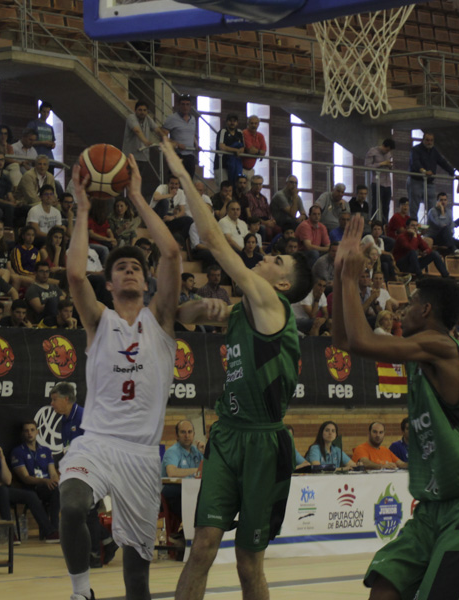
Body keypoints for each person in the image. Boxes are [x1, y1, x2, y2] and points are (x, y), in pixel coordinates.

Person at [162, 140, 312, 600]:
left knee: (249, 563)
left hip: (265, 443)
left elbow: (210, 241)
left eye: (276, 260)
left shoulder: (272, 303)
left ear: (282, 283)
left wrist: (184, 176)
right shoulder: (244, 309)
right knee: (202, 546)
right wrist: (199, 308)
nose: (266, 256)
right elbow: (183, 318)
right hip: (227, 436)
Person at [331, 214, 459, 600]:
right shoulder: (420, 354)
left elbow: (359, 341)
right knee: (385, 589)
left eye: (409, 306)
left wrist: (349, 278)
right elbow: (343, 340)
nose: (400, 310)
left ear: (426, 312)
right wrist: (344, 273)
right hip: (433, 506)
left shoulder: (440, 347)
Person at [60, 145, 184, 600]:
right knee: (72, 503)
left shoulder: (161, 320)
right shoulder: (99, 320)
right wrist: (82, 207)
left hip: (141, 454)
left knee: (138, 583)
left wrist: (135, 196)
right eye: (120, 268)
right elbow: (75, 276)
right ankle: (80, 592)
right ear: (108, 283)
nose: (129, 271)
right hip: (96, 440)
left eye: (135, 267)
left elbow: (170, 253)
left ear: (146, 282)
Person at [10, 421, 61, 542]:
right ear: (23, 433)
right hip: (30, 487)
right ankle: (52, 531)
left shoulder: (46, 450)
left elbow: (53, 472)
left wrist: (54, 481)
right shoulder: (18, 452)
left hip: (46, 486)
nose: (29, 433)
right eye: (26, 430)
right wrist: (44, 481)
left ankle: (55, 529)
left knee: (56, 490)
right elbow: (25, 478)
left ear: (37, 432)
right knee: (38, 493)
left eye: (32, 430)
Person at [160, 420, 204, 519]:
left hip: (191, 491)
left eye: (189, 432)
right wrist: (195, 470)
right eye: (183, 432)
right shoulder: (172, 451)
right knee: (194, 499)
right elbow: (171, 472)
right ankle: (187, 531)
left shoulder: (197, 451)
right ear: (177, 435)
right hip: (171, 494)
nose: (187, 436)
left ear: (194, 434)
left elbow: (210, 470)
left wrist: (206, 452)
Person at [408, 133, 456, 220]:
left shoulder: (434, 151)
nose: (429, 142)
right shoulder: (415, 150)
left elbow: (442, 162)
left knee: (432, 207)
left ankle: (432, 229)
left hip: (429, 183)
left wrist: (454, 173)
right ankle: (413, 227)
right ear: (423, 140)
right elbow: (415, 163)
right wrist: (424, 171)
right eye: (427, 140)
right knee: (414, 207)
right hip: (416, 181)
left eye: (431, 140)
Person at [162, 95, 200, 176]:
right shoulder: (171, 118)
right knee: (175, 179)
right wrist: (176, 144)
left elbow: (191, 133)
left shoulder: (193, 119)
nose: (185, 107)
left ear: (190, 106)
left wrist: (196, 144)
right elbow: (163, 135)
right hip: (177, 154)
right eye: (183, 104)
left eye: (187, 104)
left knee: (189, 181)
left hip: (190, 155)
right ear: (178, 105)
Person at [365, 139, 395, 221]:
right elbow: (367, 166)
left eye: (389, 150)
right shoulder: (373, 151)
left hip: (387, 183)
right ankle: (374, 223)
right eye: (387, 149)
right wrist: (381, 164)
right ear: (383, 146)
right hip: (377, 182)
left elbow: (390, 168)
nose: (387, 152)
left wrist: (389, 166)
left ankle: (385, 225)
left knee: (386, 206)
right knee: (376, 205)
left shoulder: (389, 154)